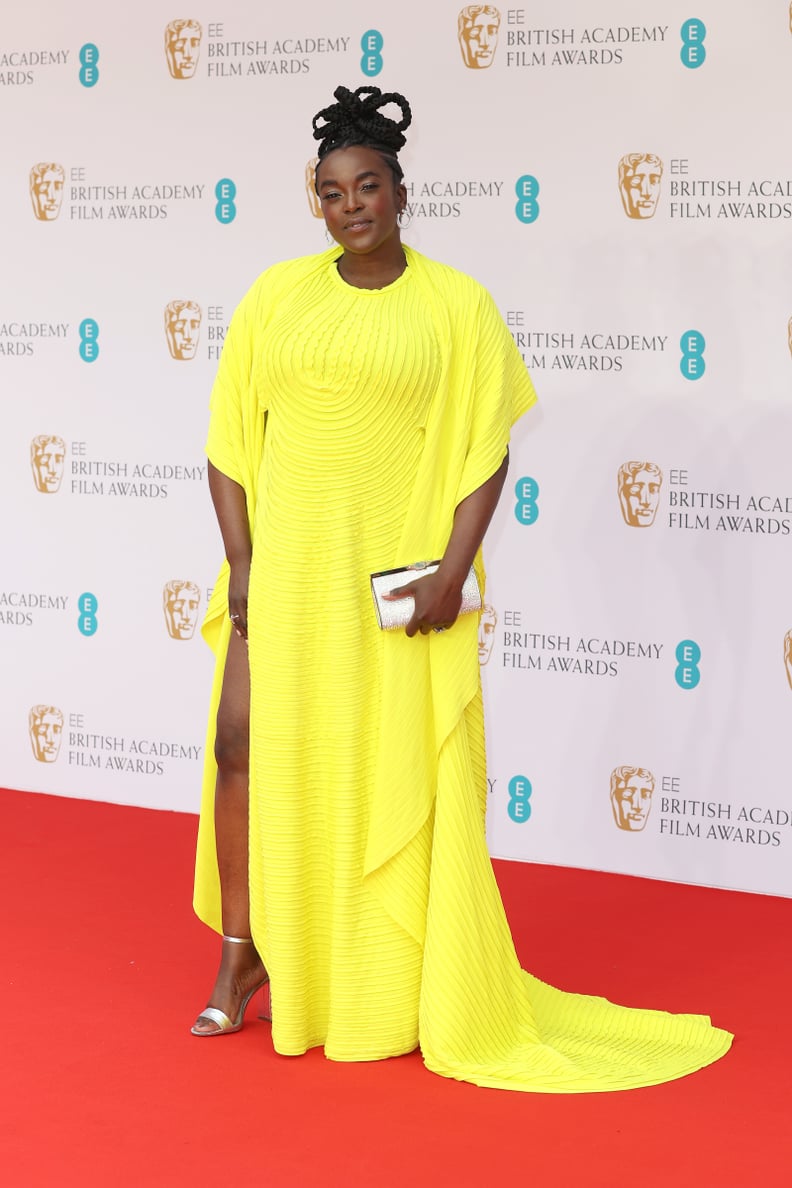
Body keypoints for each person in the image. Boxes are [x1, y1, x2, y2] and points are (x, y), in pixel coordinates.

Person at [192, 84, 731, 1091]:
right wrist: (243, 566)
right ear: (316, 204)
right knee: (239, 744)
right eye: (331, 191)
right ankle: (243, 946)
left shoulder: (456, 305)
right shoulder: (276, 296)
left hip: (393, 583)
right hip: (287, 574)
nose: (351, 204)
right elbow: (227, 445)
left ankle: (386, 974)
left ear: (401, 191)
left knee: (387, 764)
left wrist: (452, 569)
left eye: (368, 185)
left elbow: (485, 455)